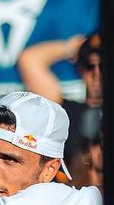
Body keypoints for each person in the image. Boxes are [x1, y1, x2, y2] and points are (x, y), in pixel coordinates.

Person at [16, 31, 102, 184]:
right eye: (90, 66)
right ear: (81, 70)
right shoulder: (64, 112)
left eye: (104, 66)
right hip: (74, 192)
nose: (97, 73)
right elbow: (29, 60)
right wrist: (71, 48)